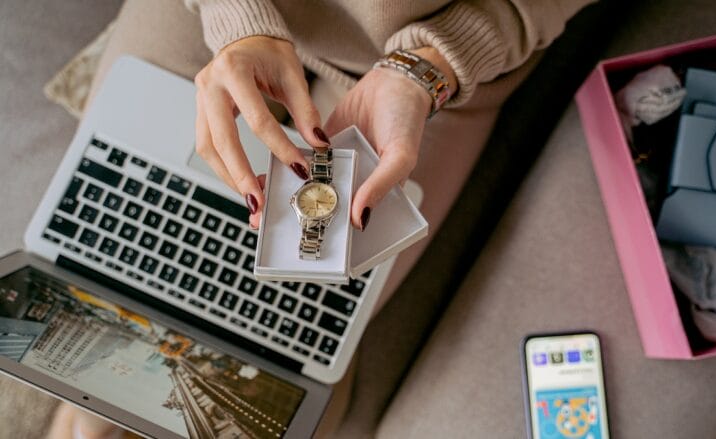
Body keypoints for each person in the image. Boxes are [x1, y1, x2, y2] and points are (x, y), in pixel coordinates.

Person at [47, 0, 592, 437]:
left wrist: (423, 71)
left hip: (427, 52)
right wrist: (236, 22)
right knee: (102, 253)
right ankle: (87, 412)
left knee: (284, 338)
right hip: (206, 14)